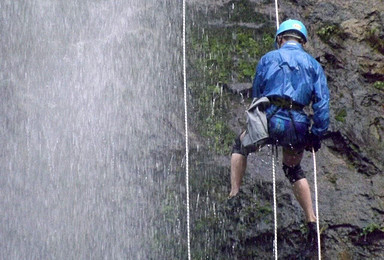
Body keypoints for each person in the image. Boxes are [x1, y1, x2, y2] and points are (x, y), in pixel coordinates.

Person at [229, 19, 330, 253]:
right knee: (293, 169)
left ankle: (234, 191)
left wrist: (259, 121)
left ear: (281, 39)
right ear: (301, 41)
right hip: (297, 125)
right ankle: (311, 219)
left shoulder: (269, 58)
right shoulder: (314, 65)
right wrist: (316, 134)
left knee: (240, 146)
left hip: (270, 119)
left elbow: (258, 91)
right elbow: (322, 105)